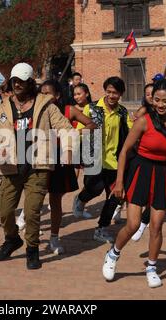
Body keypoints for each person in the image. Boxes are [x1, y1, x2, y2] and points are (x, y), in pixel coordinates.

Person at [102, 79, 166, 288]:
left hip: (165, 173)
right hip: (141, 171)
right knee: (133, 224)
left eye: (165, 101)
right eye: (156, 100)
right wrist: (119, 182)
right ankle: (113, 254)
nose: (160, 105)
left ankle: (151, 267)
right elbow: (124, 151)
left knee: (156, 226)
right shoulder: (144, 121)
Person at [0, 63, 73, 270]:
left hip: (38, 167)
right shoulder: (3, 108)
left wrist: (68, 149)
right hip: (11, 168)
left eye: (21, 81)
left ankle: (32, 249)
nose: (17, 85)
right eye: (14, 81)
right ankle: (12, 239)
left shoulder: (46, 106)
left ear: (29, 82)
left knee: (32, 211)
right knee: (5, 210)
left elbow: (66, 128)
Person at [73, 77, 133, 242]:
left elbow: (130, 131)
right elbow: (81, 131)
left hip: (114, 160)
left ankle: (102, 228)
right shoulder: (91, 109)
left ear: (121, 94)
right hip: (94, 157)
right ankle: (81, 198)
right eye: (109, 92)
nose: (111, 95)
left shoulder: (122, 112)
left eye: (115, 93)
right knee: (94, 188)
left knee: (116, 195)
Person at [40, 79, 96, 254]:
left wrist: (73, 133)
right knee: (34, 197)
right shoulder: (35, 110)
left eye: (47, 93)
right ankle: (28, 226)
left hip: (60, 158)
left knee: (55, 201)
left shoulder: (68, 110)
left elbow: (91, 124)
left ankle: (54, 238)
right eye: (41, 93)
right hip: (39, 157)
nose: (43, 96)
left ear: (57, 95)